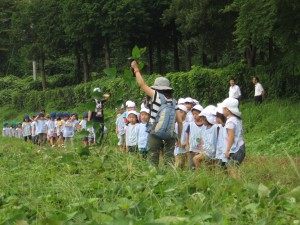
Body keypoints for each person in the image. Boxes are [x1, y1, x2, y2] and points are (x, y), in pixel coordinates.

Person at [131, 60, 183, 166]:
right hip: (170, 135)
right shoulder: (174, 101)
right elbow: (180, 122)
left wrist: (136, 69)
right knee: (169, 159)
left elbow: (142, 84)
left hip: (155, 132)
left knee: (153, 157)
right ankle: (170, 178)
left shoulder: (156, 96)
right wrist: (179, 138)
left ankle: (154, 178)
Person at [220, 98, 246, 178]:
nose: (222, 110)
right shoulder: (237, 119)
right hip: (241, 147)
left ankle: (238, 187)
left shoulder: (230, 121)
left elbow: (231, 137)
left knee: (232, 170)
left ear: (228, 110)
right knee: (233, 169)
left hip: (236, 149)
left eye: (223, 108)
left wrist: (227, 150)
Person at [186, 104, 204, 170]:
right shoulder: (191, 124)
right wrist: (187, 145)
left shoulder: (204, 125)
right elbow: (187, 135)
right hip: (192, 149)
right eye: (193, 114)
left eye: (196, 114)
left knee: (201, 166)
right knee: (192, 167)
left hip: (202, 151)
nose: (194, 116)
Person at [174, 105, 188, 170]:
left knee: (183, 166)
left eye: (181, 112)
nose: (179, 114)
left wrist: (185, 144)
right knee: (177, 165)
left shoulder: (188, 124)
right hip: (176, 149)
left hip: (184, 149)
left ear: (185, 113)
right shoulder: (175, 124)